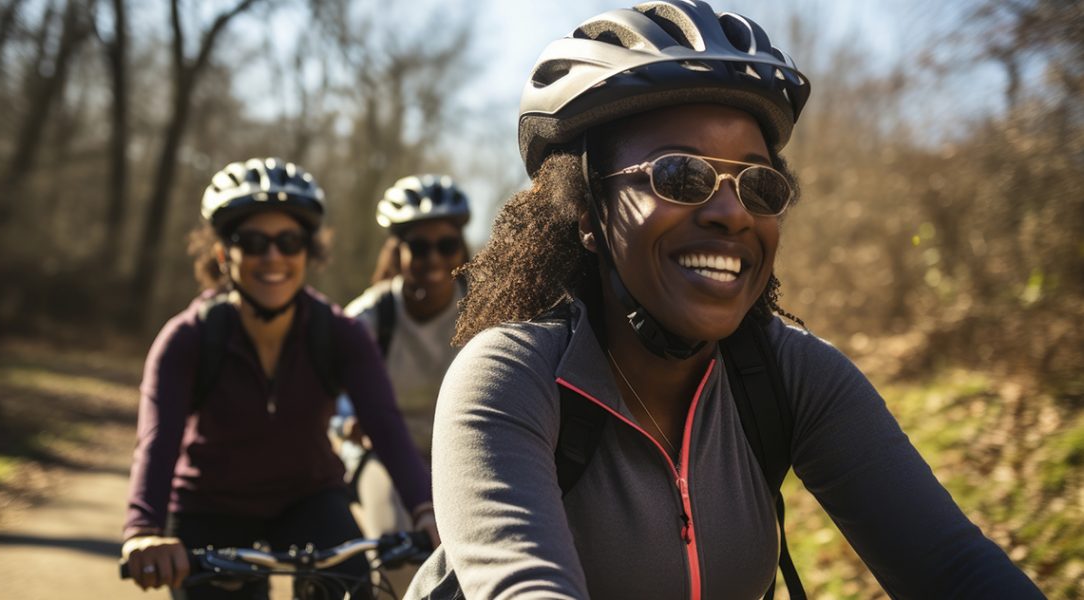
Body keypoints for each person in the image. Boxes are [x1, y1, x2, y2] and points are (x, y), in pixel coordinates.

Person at [404, 2, 1043, 599]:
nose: (733, 213)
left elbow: (954, 568)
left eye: (760, 185)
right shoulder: (508, 379)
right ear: (587, 215)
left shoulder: (789, 376)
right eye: (681, 174)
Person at [121, 157, 438, 599]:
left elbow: (386, 426)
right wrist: (143, 528)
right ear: (222, 256)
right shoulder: (187, 339)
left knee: (353, 589)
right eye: (252, 242)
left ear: (308, 253)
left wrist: (425, 508)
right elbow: (156, 441)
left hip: (308, 498)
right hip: (209, 506)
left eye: (289, 241)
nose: (272, 256)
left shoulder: (340, 335)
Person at [336, 175, 470, 588]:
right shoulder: (370, 317)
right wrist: (346, 421)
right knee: (400, 551)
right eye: (419, 246)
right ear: (397, 252)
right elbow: (336, 394)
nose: (434, 258)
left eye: (446, 246)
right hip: (384, 457)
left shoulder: (485, 308)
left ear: (462, 249)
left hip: (460, 454)